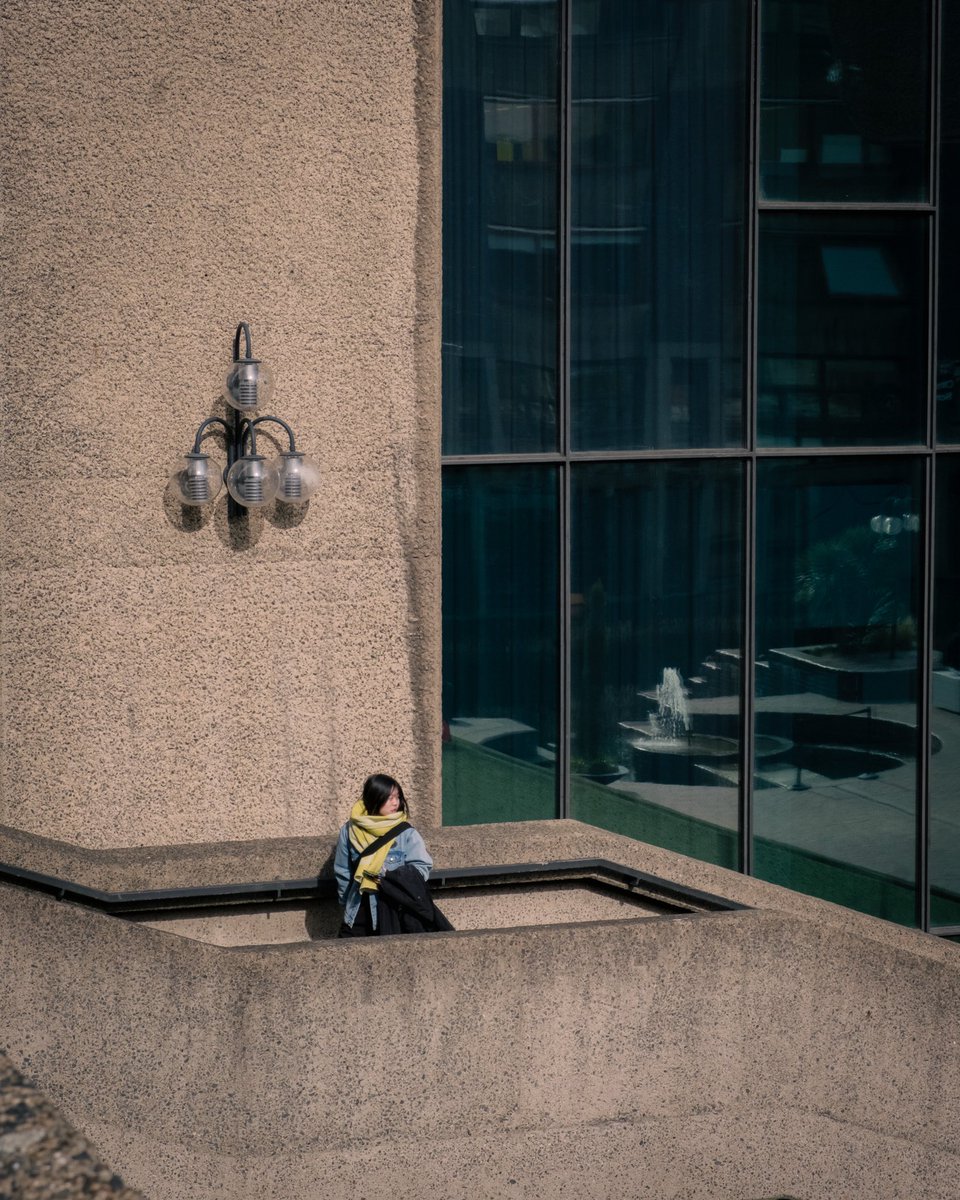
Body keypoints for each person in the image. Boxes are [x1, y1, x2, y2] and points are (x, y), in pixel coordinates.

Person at [333, 773, 432, 937]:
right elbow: (343, 871)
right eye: (390, 797)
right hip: (359, 910)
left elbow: (422, 868)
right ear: (375, 798)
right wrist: (347, 903)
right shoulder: (350, 830)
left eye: (398, 797)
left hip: (395, 910)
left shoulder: (405, 833)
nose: (396, 803)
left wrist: (388, 877)